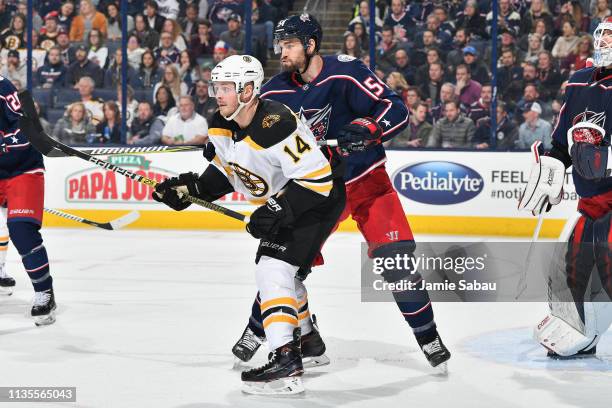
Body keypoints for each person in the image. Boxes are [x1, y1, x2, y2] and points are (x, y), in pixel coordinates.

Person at [232, 13, 450, 372]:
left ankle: (429, 338)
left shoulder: (346, 72)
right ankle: (260, 332)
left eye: (288, 45)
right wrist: (226, 144)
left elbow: (396, 109)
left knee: (398, 264)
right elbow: (245, 131)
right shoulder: (274, 91)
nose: (281, 52)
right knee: (283, 263)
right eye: (279, 45)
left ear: (311, 45)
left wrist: (369, 125)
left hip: (368, 184)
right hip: (316, 191)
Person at [153, 55, 345, 394]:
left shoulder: (277, 121)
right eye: (217, 87)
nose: (218, 94)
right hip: (289, 200)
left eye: (226, 88)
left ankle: (286, 361)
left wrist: (275, 208)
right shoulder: (220, 124)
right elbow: (229, 173)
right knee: (284, 274)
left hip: (317, 200)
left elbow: (318, 180)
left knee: (272, 270)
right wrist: (191, 189)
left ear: (249, 89)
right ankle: (309, 343)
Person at [519, 17, 612, 360]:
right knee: (571, 265)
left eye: (611, 38)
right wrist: (552, 166)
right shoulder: (578, 83)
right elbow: (562, 141)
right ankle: (581, 332)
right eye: (601, 37)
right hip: (590, 203)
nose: (604, 44)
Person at [0, 79, 56, 325]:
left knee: (21, 230)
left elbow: (24, 127)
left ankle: (44, 292)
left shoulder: (2, 87)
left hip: (22, 167)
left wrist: (6, 142)